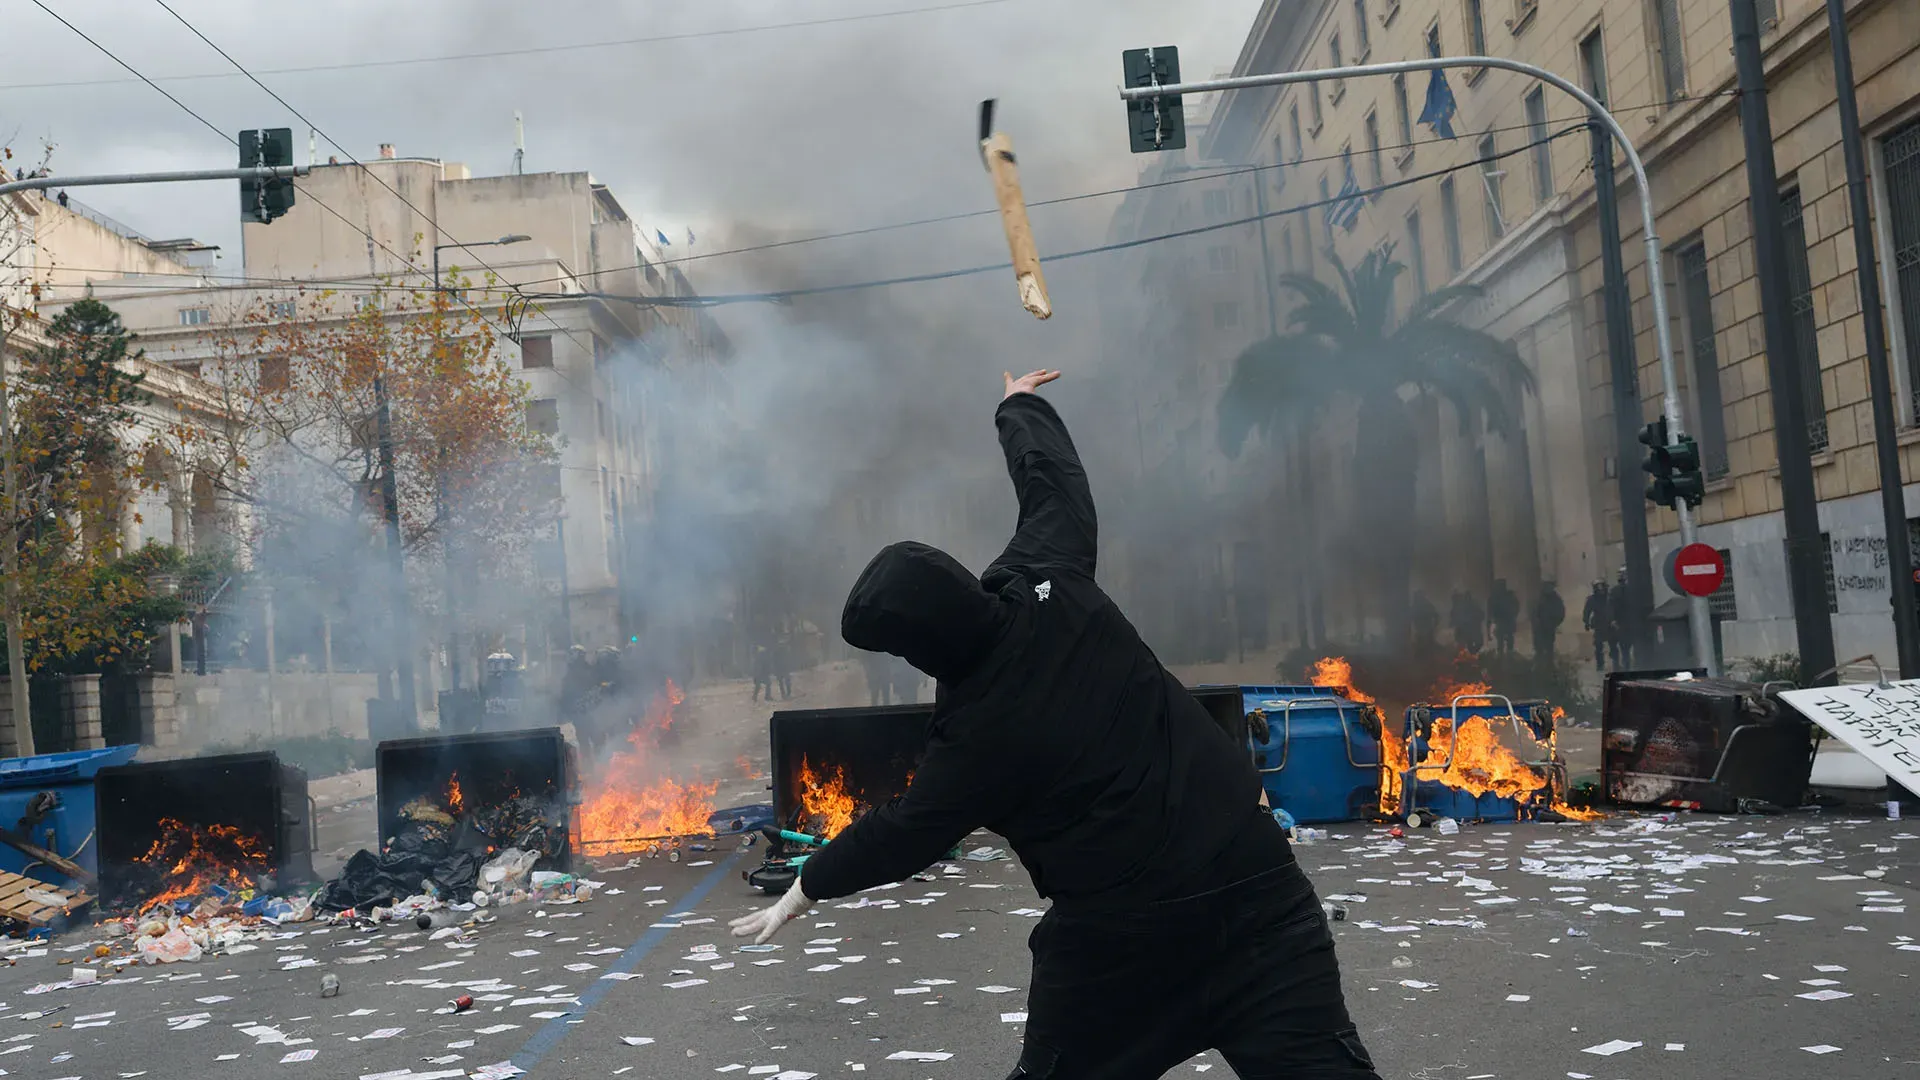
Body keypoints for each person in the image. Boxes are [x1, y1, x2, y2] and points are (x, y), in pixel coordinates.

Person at [729, 370, 1381, 1080]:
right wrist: (1019, 405)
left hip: (1122, 953)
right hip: (1257, 902)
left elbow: (902, 833)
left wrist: (808, 884)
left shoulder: (975, 738)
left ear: (914, 652)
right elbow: (1054, 484)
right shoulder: (1048, 575)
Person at [1531, 581, 1566, 663]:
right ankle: (1539, 665)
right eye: (1546, 586)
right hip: (1539, 627)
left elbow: (1561, 612)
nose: (1548, 588)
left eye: (1550, 586)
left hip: (1549, 627)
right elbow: (1533, 611)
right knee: (1539, 648)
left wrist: (1554, 623)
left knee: (1549, 647)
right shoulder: (1539, 597)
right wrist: (1535, 621)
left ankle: (1549, 665)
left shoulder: (1556, 599)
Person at [1582, 580, 1611, 672]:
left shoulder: (1610, 598)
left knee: (1613, 645)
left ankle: (1615, 662)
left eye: (1602, 588)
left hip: (1610, 623)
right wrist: (1586, 622)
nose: (1601, 590)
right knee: (1598, 645)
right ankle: (1600, 664)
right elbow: (1587, 611)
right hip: (1598, 624)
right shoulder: (1592, 599)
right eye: (1598, 588)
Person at [1607, 568, 1634, 670]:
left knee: (1625, 646)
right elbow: (1610, 606)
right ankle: (1623, 666)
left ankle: (1624, 666)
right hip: (1621, 623)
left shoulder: (1631, 590)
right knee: (1623, 647)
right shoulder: (1615, 591)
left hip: (1626, 622)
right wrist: (1613, 620)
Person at [1486, 579, 1519, 655]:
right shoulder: (1508, 596)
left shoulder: (1494, 598)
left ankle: (1506, 658)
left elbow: (1489, 615)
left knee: (1504, 644)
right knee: (1504, 644)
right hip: (1503, 622)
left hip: (1504, 622)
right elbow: (1516, 607)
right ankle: (1506, 658)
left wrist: (1488, 633)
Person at [1449, 589, 1484, 654]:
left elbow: (1481, 615)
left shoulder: (1474, 605)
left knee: (1477, 643)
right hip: (1467, 629)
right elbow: (1455, 616)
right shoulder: (1462, 606)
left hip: (1473, 628)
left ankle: (1471, 655)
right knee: (1467, 644)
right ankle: (1469, 656)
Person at [1409, 590, 1440, 654]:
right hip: (1421, 630)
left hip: (1426, 630)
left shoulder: (1425, 605)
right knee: (1423, 647)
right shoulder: (1417, 606)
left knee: (1427, 647)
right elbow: (1410, 617)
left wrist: (1434, 626)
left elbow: (1436, 616)